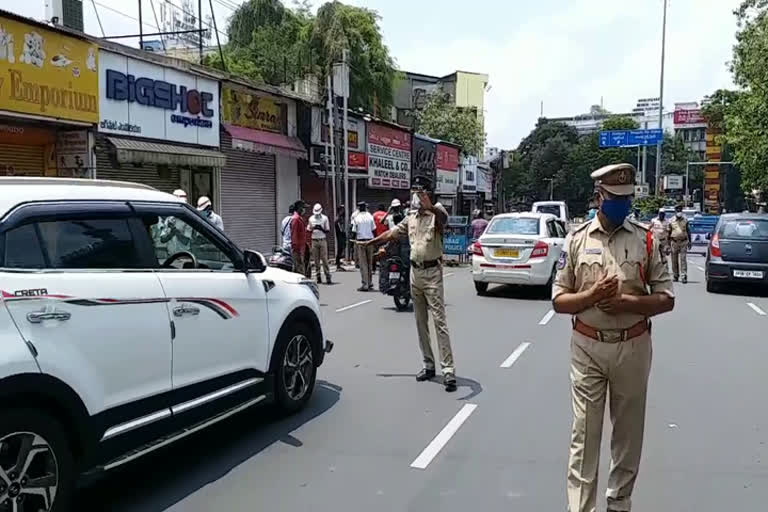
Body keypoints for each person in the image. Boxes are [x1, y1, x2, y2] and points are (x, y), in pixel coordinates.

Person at [552, 163, 674, 512]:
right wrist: (590, 298)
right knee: (584, 436)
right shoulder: (576, 240)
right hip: (587, 347)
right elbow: (559, 300)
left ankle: (619, 504)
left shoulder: (647, 239)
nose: (622, 204)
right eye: (615, 198)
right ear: (599, 198)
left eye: (627, 198)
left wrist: (626, 302)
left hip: (633, 347)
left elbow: (666, 299)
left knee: (628, 435)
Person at [362, 176, 457, 392]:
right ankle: (428, 365)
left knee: (439, 323)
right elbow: (393, 233)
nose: (417, 196)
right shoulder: (411, 216)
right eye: (415, 192)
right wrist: (372, 242)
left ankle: (449, 371)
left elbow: (443, 220)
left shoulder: (437, 213)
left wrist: (430, 206)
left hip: (433, 273)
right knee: (420, 322)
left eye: (420, 192)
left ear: (429, 194)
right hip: (415, 273)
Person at [352, 201, 376, 291]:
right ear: (365, 207)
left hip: (361, 242)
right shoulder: (370, 216)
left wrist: (352, 243)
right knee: (370, 262)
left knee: (363, 264)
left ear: (359, 208)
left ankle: (365, 284)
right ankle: (369, 282)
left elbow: (354, 231)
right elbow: (374, 230)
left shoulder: (356, 218)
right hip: (370, 240)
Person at [307, 203, 332, 284]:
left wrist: (321, 228)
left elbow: (327, 230)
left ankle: (328, 276)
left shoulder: (325, 218)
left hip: (322, 240)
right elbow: (308, 229)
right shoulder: (311, 219)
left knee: (324, 259)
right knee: (316, 260)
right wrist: (313, 228)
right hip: (314, 240)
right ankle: (318, 277)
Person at [669, 203, 691, 283]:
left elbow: (688, 231)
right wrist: (668, 244)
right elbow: (669, 232)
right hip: (674, 242)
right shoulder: (671, 220)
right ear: (675, 211)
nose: (679, 211)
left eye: (680, 210)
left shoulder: (685, 220)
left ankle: (684, 276)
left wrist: (690, 242)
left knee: (683, 259)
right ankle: (675, 275)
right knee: (674, 260)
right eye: (677, 210)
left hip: (683, 242)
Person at [290, 201, 308, 275]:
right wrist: (297, 249)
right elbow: (294, 235)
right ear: (299, 208)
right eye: (303, 208)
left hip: (301, 248)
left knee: (298, 269)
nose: (304, 210)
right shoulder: (296, 219)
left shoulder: (299, 218)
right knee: (299, 271)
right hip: (298, 249)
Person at [335, 205, 347, 270]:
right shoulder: (338, 218)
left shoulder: (341, 217)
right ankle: (338, 264)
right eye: (342, 210)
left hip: (342, 235)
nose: (343, 211)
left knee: (342, 248)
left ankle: (339, 263)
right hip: (340, 235)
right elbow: (341, 229)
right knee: (340, 249)